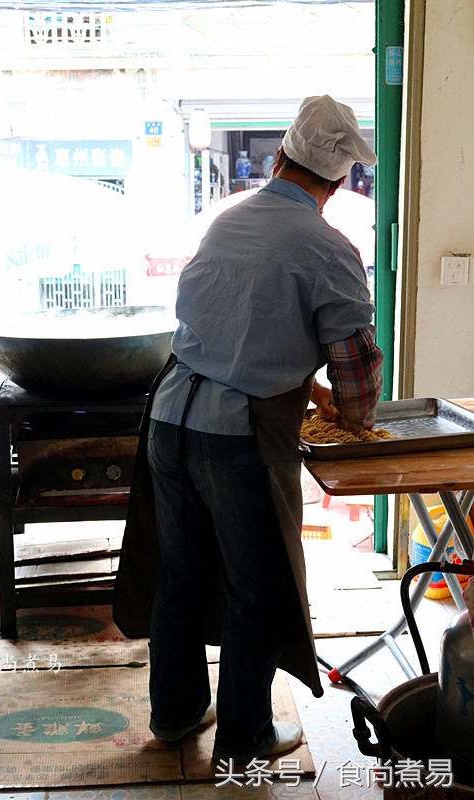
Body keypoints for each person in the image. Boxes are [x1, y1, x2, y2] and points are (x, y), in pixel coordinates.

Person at [114, 94, 384, 764]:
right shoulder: (326, 246)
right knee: (255, 589)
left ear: (277, 158)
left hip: (171, 418)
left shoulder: (229, 222)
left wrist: (309, 389)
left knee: (178, 577)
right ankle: (245, 740)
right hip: (234, 437)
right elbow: (353, 361)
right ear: (342, 178)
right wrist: (354, 416)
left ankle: (175, 718)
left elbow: (237, 332)